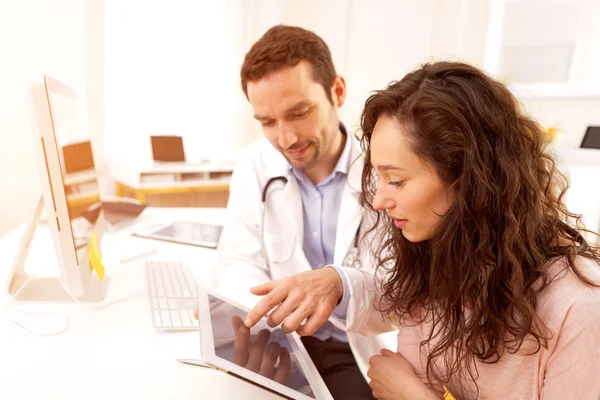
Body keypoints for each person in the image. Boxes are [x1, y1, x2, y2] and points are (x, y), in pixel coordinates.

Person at [243, 61, 600, 399]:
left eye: (396, 180)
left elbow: (406, 387)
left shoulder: (578, 307)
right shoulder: (434, 267)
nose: (379, 200)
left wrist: (412, 394)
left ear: (468, 180)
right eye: (379, 178)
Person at [211, 24, 395, 399]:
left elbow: (402, 290)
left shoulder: (385, 166)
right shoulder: (254, 163)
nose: (286, 138)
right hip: (282, 345)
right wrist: (252, 315)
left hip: (354, 349)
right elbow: (234, 262)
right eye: (267, 122)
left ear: (337, 91)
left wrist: (339, 283)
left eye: (299, 113)